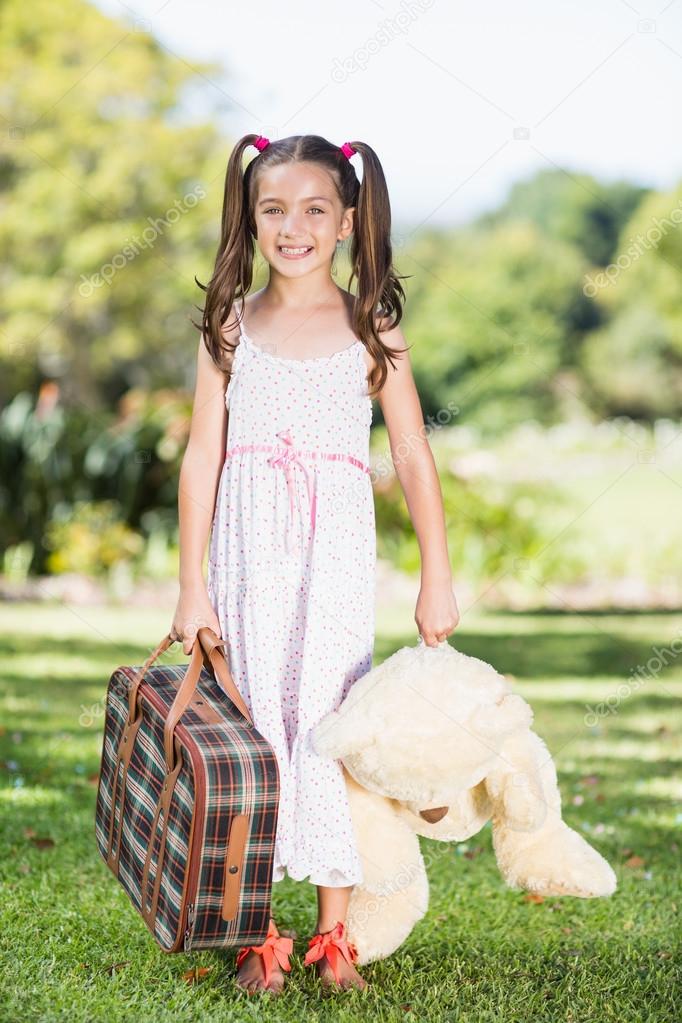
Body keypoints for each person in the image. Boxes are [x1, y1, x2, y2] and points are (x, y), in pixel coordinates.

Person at [171, 133, 460, 995]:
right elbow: (199, 457)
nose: (291, 226)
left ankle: (335, 937)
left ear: (345, 221)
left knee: (329, 725)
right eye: (273, 209)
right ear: (250, 219)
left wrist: (434, 572)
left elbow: (410, 450)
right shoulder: (233, 324)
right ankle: (258, 930)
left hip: (333, 552)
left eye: (313, 209)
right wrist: (191, 584)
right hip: (246, 553)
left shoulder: (370, 322)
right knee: (252, 729)